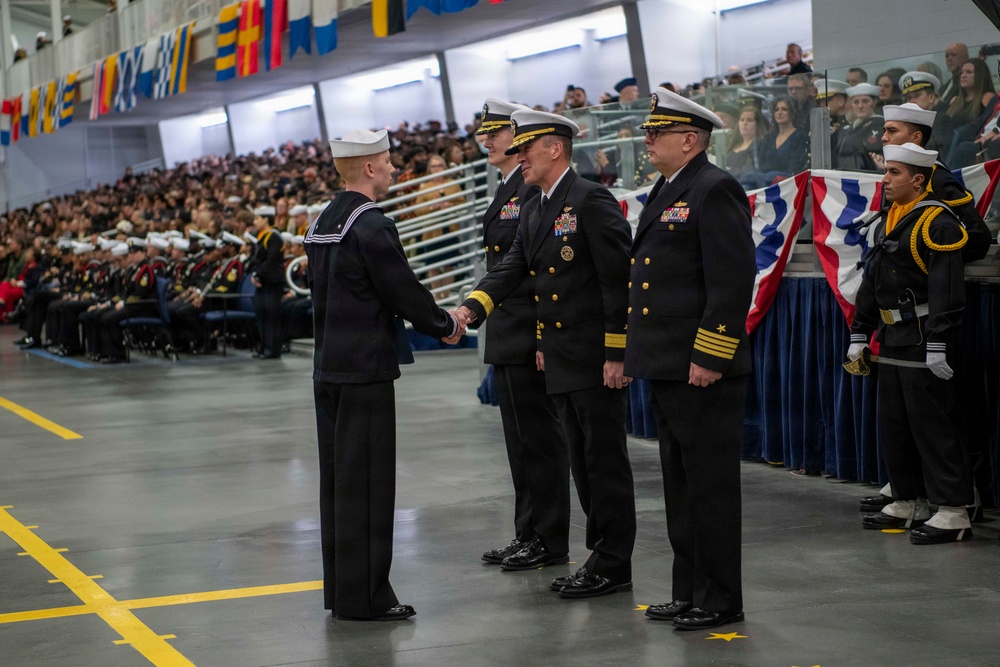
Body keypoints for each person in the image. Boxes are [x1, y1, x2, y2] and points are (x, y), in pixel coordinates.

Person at [456, 109, 636, 600]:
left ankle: (613, 561)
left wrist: (618, 352)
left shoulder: (590, 199)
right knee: (581, 461)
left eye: (526, 148)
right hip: (562, 357)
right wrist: (469, 310)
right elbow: (514, 266)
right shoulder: (537, 205)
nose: (519, 157)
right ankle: (600, 556)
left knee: (603, 463)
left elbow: (617, 281)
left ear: (554, 149)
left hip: (595, 357)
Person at [305, 128, 462, 621]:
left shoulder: (324, 220)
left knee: (338, 486)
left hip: (328, 367)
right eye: (389, 161)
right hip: (365, 371)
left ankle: (343, 593)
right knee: (369, 488)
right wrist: (445, 325)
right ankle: (368, 597)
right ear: (369, 168)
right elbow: (403, 292)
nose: (394, 169)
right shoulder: (371, 226)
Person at [628, 87, 754, 631]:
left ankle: (722, 596)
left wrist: (710, 354)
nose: (648, 140)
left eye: (657, 133)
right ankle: (689, 589)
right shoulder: (668, 188)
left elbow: (730, 282)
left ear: (690, 139)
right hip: (666, 364)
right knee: (680, 487)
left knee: (710, 487)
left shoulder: (714, 187)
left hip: (700, 368)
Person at [848, 143, 973, 545]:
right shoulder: (888, 219)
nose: (884, 180)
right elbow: (872, 281)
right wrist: (859, 332)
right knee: (895, 423)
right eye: (886, 171)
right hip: (892, 336)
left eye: (894, 173)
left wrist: (940, 340)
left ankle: (953, 509)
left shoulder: (938, 222)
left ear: (918, 180)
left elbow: (946, 289)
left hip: (922, 337)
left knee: (932, 426)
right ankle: (908, 498)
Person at [473, 99, 569, 572]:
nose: (487, 141)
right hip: (507, 330)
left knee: (539, 443)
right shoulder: (512, 188)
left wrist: (538, 338)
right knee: (520, 444)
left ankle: (548, 538)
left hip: (528, 330)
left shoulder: (530, 190)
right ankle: (528, 531)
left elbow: (534, 267)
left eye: (496, 133)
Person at [414, 154, 465, 299]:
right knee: (433, 264)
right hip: (432, 230)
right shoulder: (425, 186)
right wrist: (432, 207)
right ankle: (437, 297)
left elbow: (462, 202)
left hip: (450, 228)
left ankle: (447, 295)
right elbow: (418, 210)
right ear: (429, 169)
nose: (437, 169)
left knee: (450, 263)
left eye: (440, 165)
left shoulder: (453, 184)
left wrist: (450, 205)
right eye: (434, 166)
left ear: (444, 167)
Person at [250, 206, 285, 359]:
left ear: (266, 219)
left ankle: (272, 349)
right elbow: (256, 260)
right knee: (261, 314)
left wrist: (258, 275)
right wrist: (255, 275)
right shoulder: (261, 236)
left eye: (258, 218)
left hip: (272, 282)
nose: (255, 221)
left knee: (271, 316)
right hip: (262, 281)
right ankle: (263, 347)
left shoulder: (274, 237)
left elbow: (271, 261)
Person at [898, 71, 957, 154]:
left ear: (931, 98)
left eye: (917, 95)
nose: (912, 101)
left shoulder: (942, 121)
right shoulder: (905, 124)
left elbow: (934, 149)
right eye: (908, 98)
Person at [834, 83, 883, 171]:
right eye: (856, 102)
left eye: (865, 101)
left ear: (874, 102)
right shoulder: (846, 129)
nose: (860, 106)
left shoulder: (881, 125)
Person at [945, 58, 996, 125]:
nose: (963, 76)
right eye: (961, 72)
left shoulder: (987, 97)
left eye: (968, 72)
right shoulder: (955, 100)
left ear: (980, 75)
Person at [725, 105, 769, 180]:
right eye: (742, 120)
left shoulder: (760, 145)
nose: (744, 123)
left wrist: (729, 171)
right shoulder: (731, 145)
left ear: (757, 124)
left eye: (749, 120)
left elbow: (751, 171)